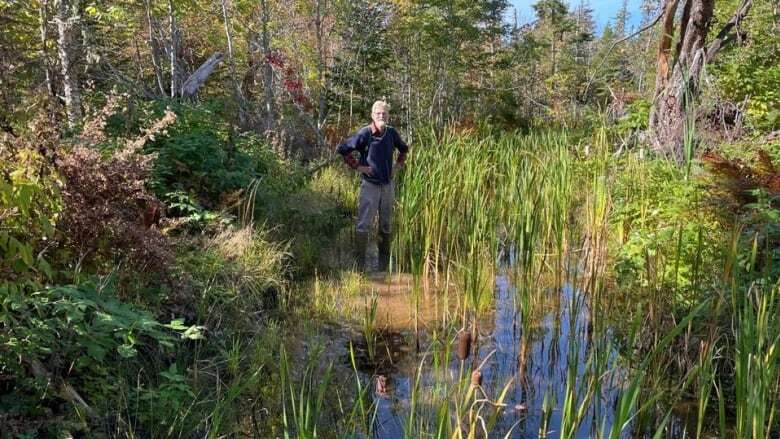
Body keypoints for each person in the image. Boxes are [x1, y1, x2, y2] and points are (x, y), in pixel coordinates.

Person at [336, 100, 409, 271]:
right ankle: (360, 267)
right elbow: (343, 149)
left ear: (388, 116)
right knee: (363, 225)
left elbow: (404, 150)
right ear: (372, 116)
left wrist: (397, 167)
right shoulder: (365, 133)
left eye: (384, 113)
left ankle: (383, 266)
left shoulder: (391, 133)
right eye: (378, 114)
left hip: (387, 186)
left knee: (386, 225)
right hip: (369, 186)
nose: (381, 116)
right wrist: (359, 166)